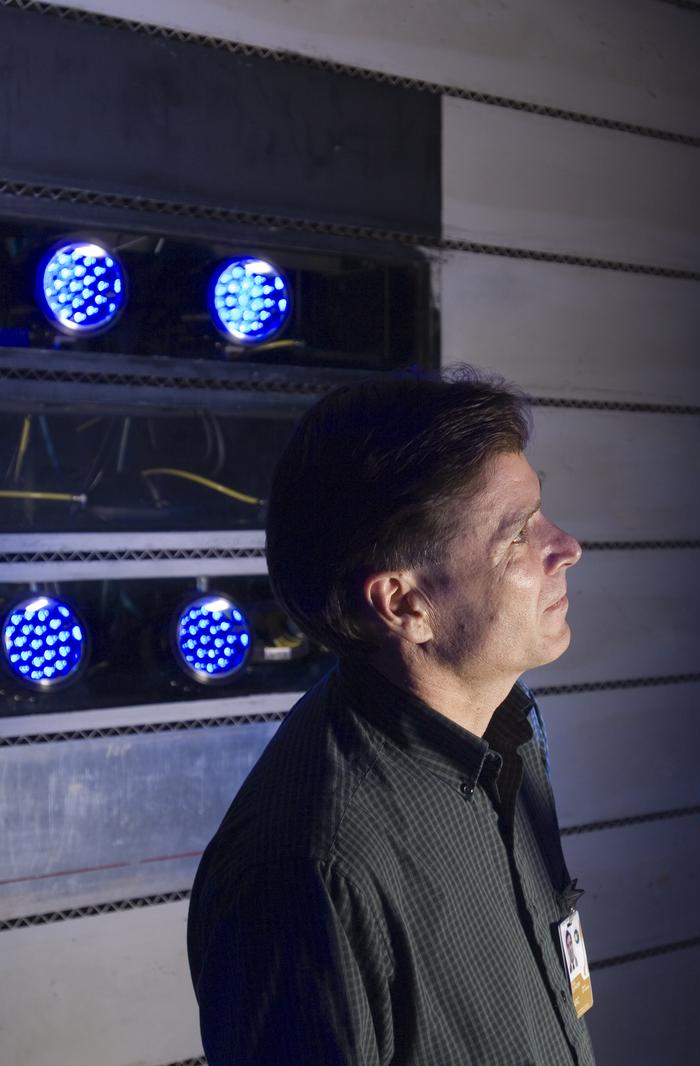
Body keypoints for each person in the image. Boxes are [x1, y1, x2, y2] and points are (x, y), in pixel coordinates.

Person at [187, 370, 595, 1066]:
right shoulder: (307, 872)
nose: (567, 547)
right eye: (519, 534)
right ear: (405, 605)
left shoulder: (509, 730)